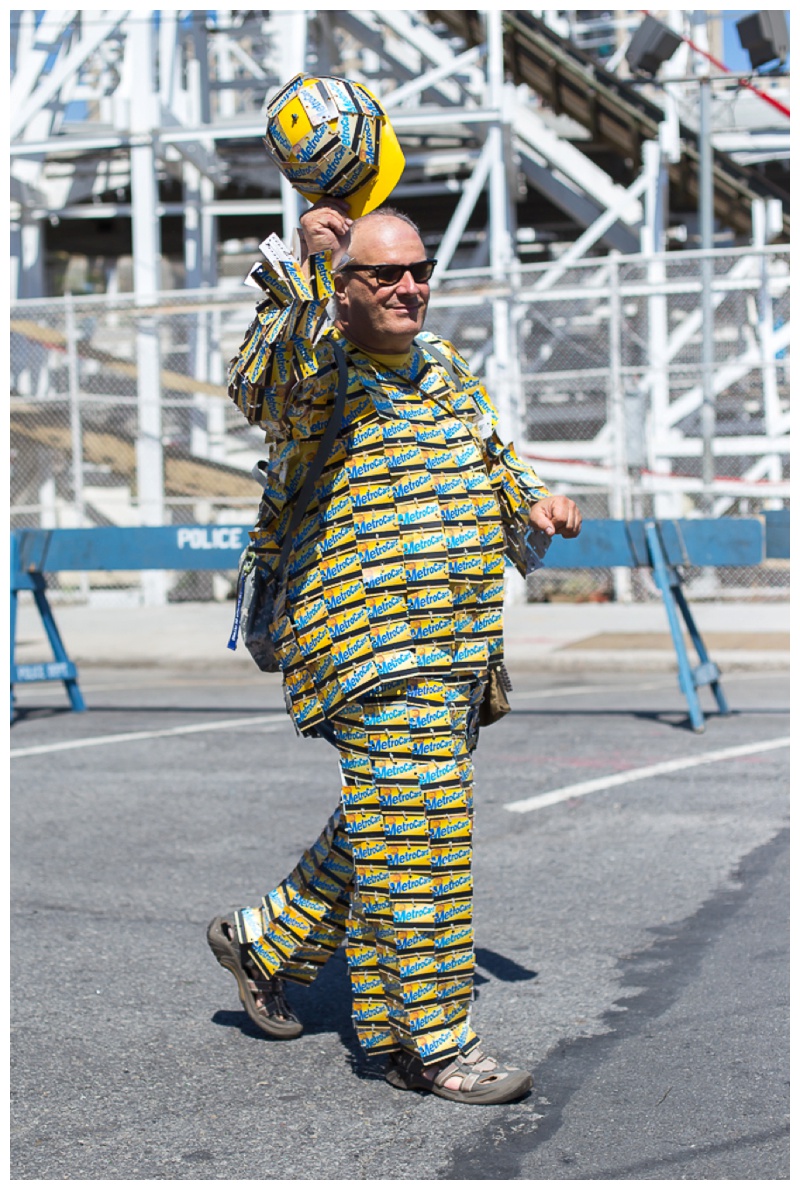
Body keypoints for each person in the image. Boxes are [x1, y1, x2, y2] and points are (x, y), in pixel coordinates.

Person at [207, 198, 582, 1105]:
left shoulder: (444, 365)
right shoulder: (318, 369)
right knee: (424, 840)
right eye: (386, 274)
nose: (410, 287)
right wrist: (306, 269)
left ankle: (264, 939)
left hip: (455, 641)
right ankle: (435, 1042)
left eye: (420, 272)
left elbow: (495, 452)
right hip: (369, 641)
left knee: (392, 817)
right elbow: (262, 381)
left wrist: (533, 499)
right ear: (344, 292)